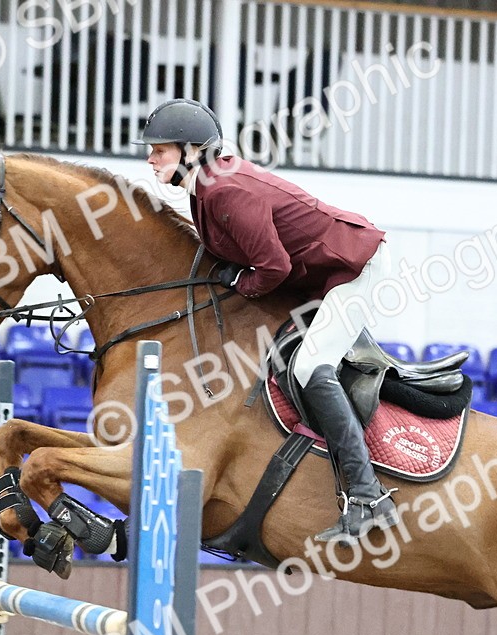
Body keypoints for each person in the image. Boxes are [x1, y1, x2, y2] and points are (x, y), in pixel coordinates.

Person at [139, 98, 401, 545]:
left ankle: (368, 496)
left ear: (191, 151)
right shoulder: (204, 189)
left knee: (308, 368)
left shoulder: (224, 191)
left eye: (159, 150)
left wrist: (240, 283)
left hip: (355, 267)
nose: (149, 158)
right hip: (319, 274)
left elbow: (273, 267)